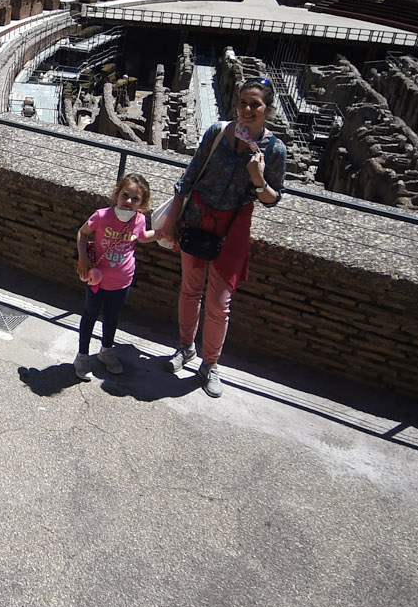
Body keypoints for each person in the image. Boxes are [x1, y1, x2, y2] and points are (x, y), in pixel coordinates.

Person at [158, 78, 287, 397]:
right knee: (190, 290)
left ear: (267, 110)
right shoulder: (217, 132)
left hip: (233, 228)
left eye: (255, 104)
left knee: (219, 303)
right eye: (243, 102)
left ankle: (209, 364)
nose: (246, 109)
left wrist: (258, 181)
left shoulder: (274, 149)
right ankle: (185, 347)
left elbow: (274, 198)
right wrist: (172, 219)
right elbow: (190, 176)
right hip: (198, 218)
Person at [73, 172, 159, 378]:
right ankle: (82, 356)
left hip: (122, 280)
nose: (129, 201)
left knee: (112, 317)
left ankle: (107, 351)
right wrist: (83, 258)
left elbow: (142, 236)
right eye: (125, 195)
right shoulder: (102, 216)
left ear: (142, 203)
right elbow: (83, 233)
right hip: (97, 279)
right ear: (117, 194)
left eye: (135, 199)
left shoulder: (139, 220)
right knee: (90, 315)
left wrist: (162, 233)